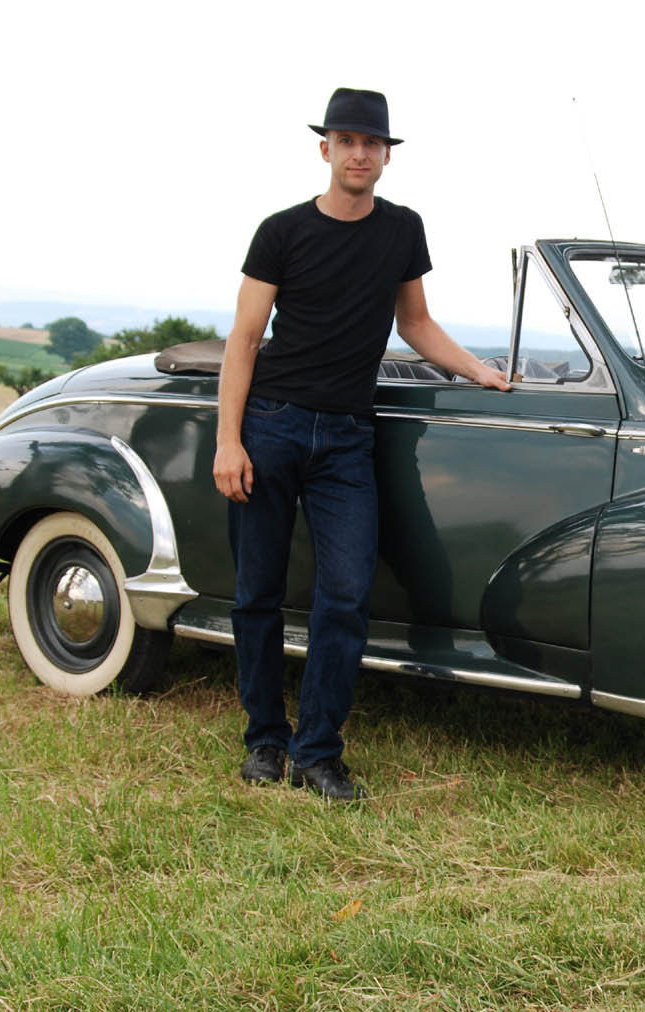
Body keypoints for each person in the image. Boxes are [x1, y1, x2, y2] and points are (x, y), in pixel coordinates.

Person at [213, 88, 510, 801]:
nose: (358, 153)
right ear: (325, 149)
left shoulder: (402, 229)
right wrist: (229, 441)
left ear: (385, 156)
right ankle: (265, 741)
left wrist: (477, 370)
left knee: (346, 594)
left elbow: (415, 322)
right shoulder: (281, 231)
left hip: (348, 435)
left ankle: (318, 753)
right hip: (271, 423)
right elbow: (245, 339)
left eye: (371, 142)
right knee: (257, 593)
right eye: (346, 140)